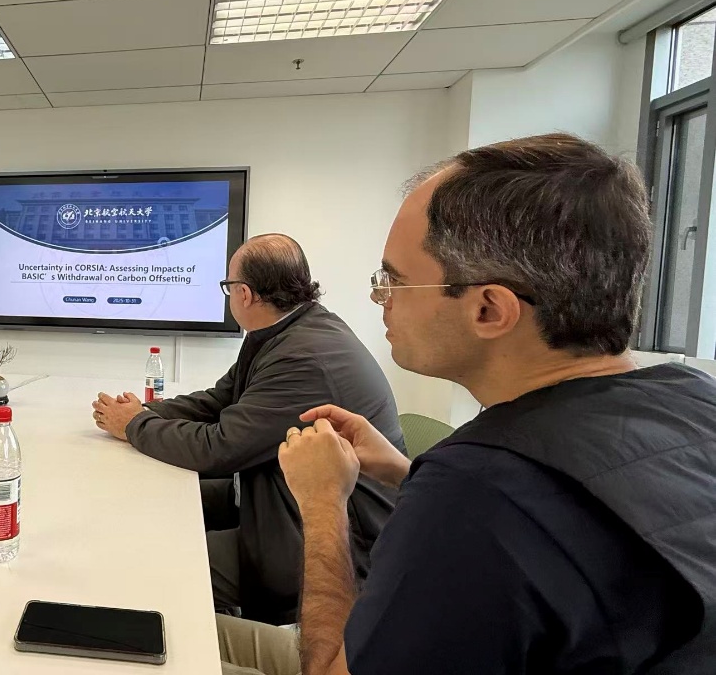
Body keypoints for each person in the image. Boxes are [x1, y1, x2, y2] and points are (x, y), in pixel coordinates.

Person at [225, 133, 716, 674]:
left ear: (489, 310)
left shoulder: (475, 492)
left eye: (394, 281)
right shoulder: (694, 399)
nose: (379, 298)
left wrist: (322, 502)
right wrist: (403, 471)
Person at [91, 234, 405, 626]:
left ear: (244, 294)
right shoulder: (286, 330)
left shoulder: (303, 357)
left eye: (228, 287)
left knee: (155, 560)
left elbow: (218, 448)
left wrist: (135, 425)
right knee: (153, 501)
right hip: (271, 495)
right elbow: (220, 400)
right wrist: (145, 411)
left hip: (320, 538)